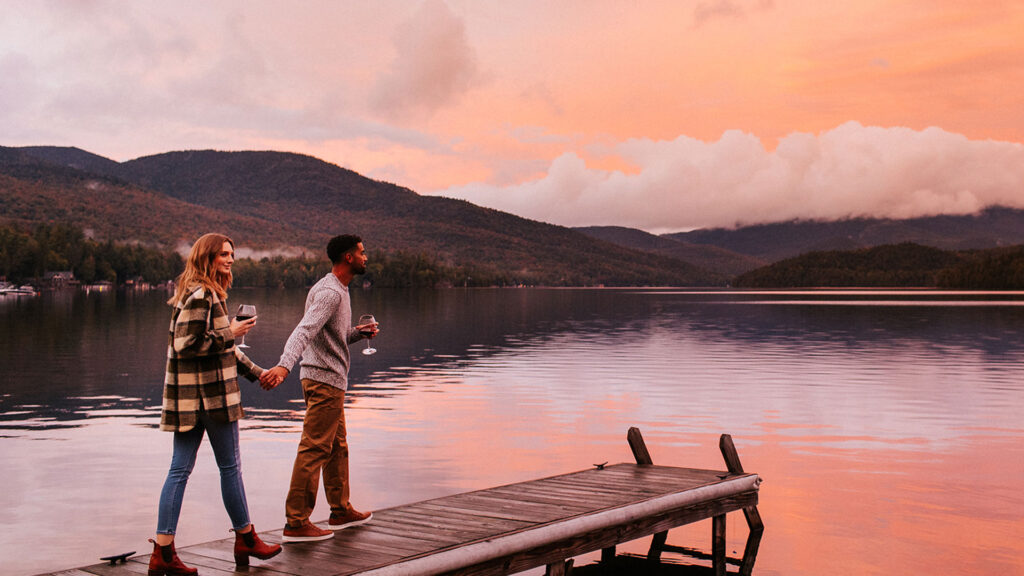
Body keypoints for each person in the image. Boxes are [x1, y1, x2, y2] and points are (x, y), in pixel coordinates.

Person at [150, 233, 281, 576]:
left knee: (180, 470)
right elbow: (185, 344)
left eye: (232, 254)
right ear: (207, 256)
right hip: (212, 398)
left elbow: (222, 348)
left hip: (190, 399)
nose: (230, 259)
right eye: (223, 254)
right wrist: (232, 332)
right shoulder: (202, 294)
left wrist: (257, 373)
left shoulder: (200, 292)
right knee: (230, 467)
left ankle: (163, 553)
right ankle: (246, 538)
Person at [259, 234, 378, 543]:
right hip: (323, 380)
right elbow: (305, 330)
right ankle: (296, 522)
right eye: (362, 253)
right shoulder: (329, 293)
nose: (367, 257)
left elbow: (329, 337)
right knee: (314, 449)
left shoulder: (335, 289)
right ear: (348, 257)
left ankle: (339, 510)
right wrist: (284, 365)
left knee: (337, 447)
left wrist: (356, 334)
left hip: (329, 378)